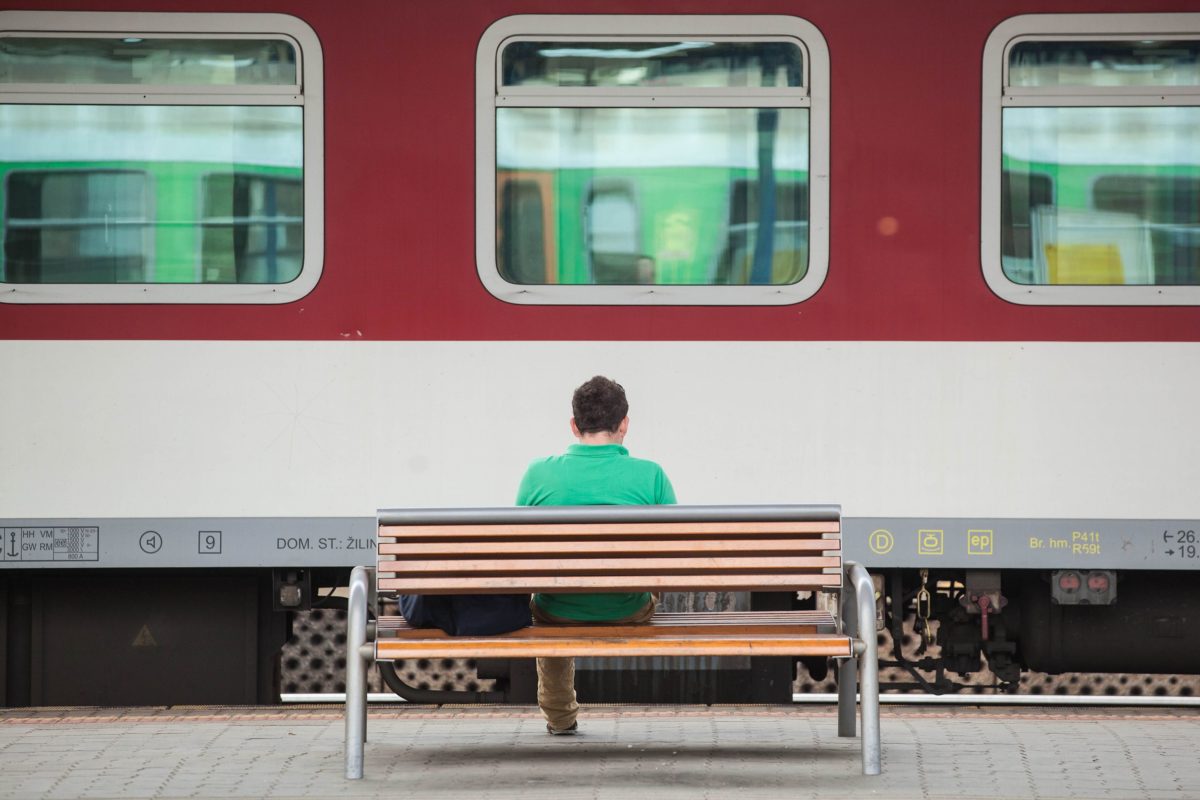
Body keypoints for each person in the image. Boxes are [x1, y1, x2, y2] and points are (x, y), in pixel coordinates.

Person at [515, 375, 676, 734]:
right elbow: (673, 551)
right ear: (624, 425)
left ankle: (560, 718)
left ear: (574, 425)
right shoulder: (651, 475)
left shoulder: (538, 473)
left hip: (558, 609)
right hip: (628, 609)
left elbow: (521, 547)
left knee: (547, 608)